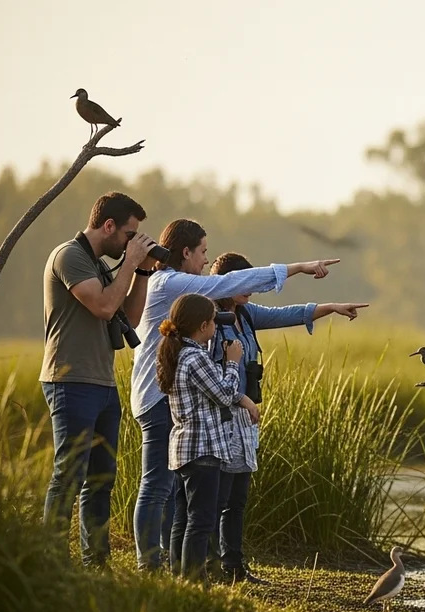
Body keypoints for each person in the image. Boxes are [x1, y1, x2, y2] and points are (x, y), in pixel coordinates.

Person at [129, 217, 340, 572]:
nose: (205, 261)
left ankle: (169, 564)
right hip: (157, 398)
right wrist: (298, 268)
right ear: (185, 252)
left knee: (173, 493)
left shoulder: (174, 285)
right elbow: (228, 283)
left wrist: (326, 306)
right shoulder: (171, 282)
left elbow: (270, 311)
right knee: (158, 487)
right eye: (202, 252)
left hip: (164, 398)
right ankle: (150, 565)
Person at [196, 252, 370, 584]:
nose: (250, 288)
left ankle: (234, 566)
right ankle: (209, 565)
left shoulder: (246, 314)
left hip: (245, 419)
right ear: (226, 283)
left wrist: (332, 307)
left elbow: (287, 314)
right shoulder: (208, 319)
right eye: (244, 282)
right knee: (218, 497)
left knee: (237, 498)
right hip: (220, 417)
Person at [39, 191, 158, 568]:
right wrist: (130, 262)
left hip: (102, 383)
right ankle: (51, 563)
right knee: (69, 474)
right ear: (108, 226)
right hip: (70, 380)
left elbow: (130, 317)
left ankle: (96, 562)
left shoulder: (102, 266)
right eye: (128, 234)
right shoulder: (69, 256)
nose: (130, 243)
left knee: (102, 478)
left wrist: (141, 271)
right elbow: (104, 306)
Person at [156, 294, 251, 582]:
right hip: (203, 449)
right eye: (212, 321)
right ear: (202, 326)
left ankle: (179, 577)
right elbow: (223, 395)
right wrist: (232, 363)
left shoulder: (179, 352)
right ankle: (194, 581)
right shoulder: (195, 357)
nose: (216, 325)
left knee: (183, 518)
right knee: (201, 520)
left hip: (185, 450)